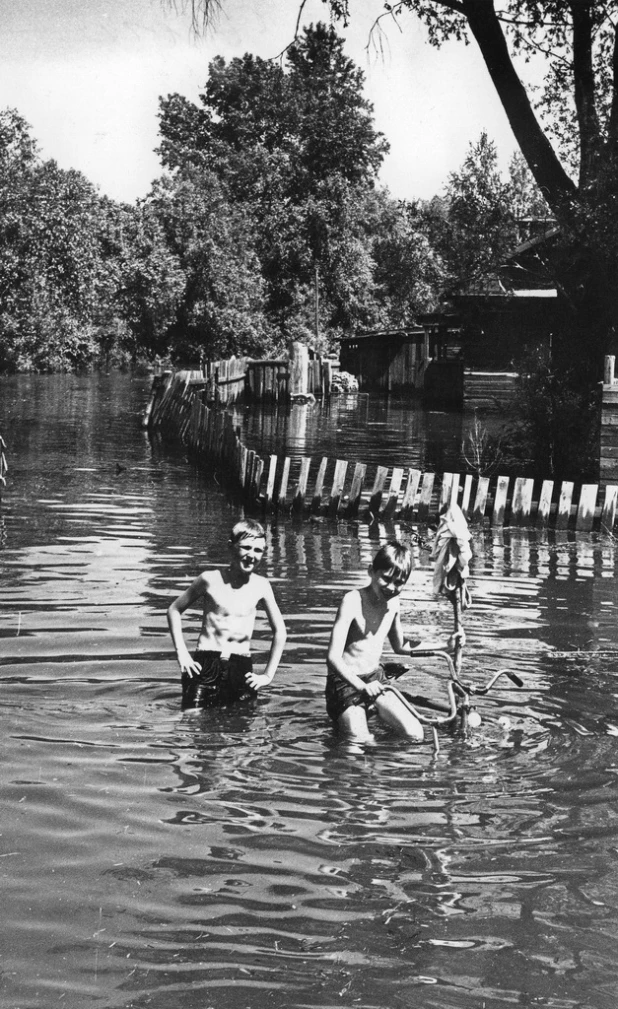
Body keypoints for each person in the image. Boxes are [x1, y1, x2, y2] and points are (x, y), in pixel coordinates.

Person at [326, 540, 464, 742]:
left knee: (415, 734)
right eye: (386, 579)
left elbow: (401, 646)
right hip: (346, 684)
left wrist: (446, 645)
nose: (391, 587)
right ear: (371, 571)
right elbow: (332, 658)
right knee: (360, 742)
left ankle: (392, 763)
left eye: (399, 582)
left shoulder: (393, 604)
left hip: (376, 679)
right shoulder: (352, 600)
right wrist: (361, 687)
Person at [168, 519, 286, 711]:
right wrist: (182, 654)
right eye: (246, 548)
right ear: (231, 548)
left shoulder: (262, 585)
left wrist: (267, 675)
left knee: (239, 731)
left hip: (241, 667)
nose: (251, 555)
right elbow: (174, 610)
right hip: (205, 664)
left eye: (258, 550)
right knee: (191, 724)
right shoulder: (209, 579)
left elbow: (280, 631)